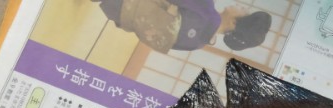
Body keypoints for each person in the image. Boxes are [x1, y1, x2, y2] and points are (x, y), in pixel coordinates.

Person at [93, 0, 272, 53]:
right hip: (121, 15)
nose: (241, 6)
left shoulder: (206, 8)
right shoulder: (197, 44)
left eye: (244, 11)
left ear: (234, 23)